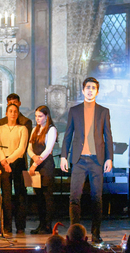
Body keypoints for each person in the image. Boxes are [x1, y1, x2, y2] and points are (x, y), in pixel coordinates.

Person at [60, 77, 113, 243]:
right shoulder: (74, 111)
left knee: (97, 198)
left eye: (93, 88)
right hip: (79, 160)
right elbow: (68, 135)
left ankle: (96, 234)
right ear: (83, 90)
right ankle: (75, 235)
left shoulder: (103, 111)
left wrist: (109, 158)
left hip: (97, 160)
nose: (90, 90)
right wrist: (63, 156)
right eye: (87, 87)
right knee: (74, 198)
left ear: (97, 91)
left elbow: (108, 136)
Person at [0, 103, 28, 234]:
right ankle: (7, 226)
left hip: (17, 162)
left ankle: (20, 226)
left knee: (20, 195)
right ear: (6, 113)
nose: (13, 113)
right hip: (3, 163)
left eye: (15, 111)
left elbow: (21, 149)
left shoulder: (22, 129)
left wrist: (8, 161)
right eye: (11, 111)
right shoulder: (0, 129)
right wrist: (3, 161)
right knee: (6, 195)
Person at [28, 106, 57, 234]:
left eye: (40, 116)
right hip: (35, 163)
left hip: (46, 165)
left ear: (46, 116)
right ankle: (41, 224)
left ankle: (47, 225)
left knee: (47, 196)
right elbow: (29, 147)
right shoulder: (34, 129)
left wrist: (34, 164)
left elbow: (48, 150)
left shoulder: (51, 130)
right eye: (36, 116)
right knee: (38, 196)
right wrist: (33, 157)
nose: (37, 119)